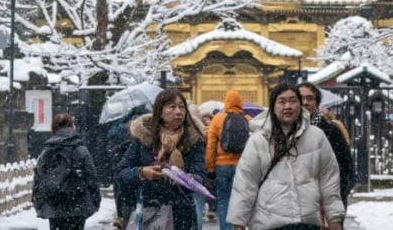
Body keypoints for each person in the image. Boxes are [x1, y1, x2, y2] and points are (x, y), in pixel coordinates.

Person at [227, 82, 344, 230]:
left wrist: (334, 218)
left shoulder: (316, 136)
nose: (287, 106)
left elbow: (329, 181)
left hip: (307, 222)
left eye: (293, 101)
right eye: (282, 101)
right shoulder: (258, 140)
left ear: (299, 105)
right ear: (273, 105)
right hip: (269, 222)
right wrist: (239, 223)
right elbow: (245, 184)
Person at [116, 89, 207, 230]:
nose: (178, 112)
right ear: (160, 111)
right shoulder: (144, 137)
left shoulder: (193, 139)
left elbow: (200, 172)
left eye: (182, 107)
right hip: (150, 211)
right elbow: (122, 171)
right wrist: (141, 172)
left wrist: (191, 179)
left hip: (182, 214)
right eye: (172, 107)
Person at [32, 113, 101, 230]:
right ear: (72, 126)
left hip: (54, 205)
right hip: (77, 204)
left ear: (54, 128)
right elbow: (91, 176)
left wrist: (39, 202)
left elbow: (39, 177)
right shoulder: (80, 149)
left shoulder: (47, 150)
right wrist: (94, 201)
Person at [299, 83, 356, 213]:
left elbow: (347, 168)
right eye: (301, 98)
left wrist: (336, 197)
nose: (305, 103)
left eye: (310, 99)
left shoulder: (331, 131)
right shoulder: (284, 132)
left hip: (326, 205)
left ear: (317, 103)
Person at [206, 90, 250, 230]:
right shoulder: (247, 119)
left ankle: (226, 228)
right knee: (239, 199)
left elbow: (211, 146)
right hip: (241, 165)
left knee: (223, 198)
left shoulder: (217, 119)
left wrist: (210, 168)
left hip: (221, 165)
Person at [107, 104, 151, 228]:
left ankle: (122, 216)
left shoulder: (122, 126)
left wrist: (125, 117)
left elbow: (110, 134)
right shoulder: (149, 127)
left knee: (122, 194)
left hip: (125, 169)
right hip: (145, 178)